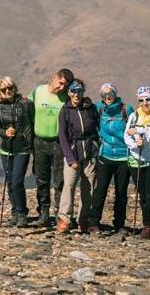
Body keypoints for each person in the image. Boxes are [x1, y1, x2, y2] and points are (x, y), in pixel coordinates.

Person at [28, 68, 74, 227]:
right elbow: (26, 107)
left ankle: (59, 214)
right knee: (41, 179)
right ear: (54, 77)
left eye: (65, 86)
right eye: (60, 83)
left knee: (59, 180)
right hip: (39, 141)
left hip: (59, 143)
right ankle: (43, 213)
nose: (62, 88)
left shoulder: (66, 98)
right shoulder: (38, 91)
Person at [87, 83, 134, 234]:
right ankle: (94, 223)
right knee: (100, 190)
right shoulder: (98, 109)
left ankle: (119, 224)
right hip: (105, 156)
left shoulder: (126, 110)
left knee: (121, 192)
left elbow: (135, 127)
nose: (107, 97)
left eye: (110, 94)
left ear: (115, 94)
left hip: (123, 157)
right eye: (104, 95)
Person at [56, 79, 99, 233]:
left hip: (90, 153)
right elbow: (62, 136)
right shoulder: (65, 110)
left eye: (79, 91)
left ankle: (84, 219)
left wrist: (96, 147)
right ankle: (64, 219)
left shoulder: (90, 108)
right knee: (69, 186)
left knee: (89, 188)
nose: (76, 94)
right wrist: (70, 158)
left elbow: (97, 127)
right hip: (73, 153)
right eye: (73, 91)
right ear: (68, 92)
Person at [124, 86, 150, 239]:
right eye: (141, 100)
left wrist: (141, 133)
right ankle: (148, 225)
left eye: (148, 99)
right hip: (138, 159)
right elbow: (127, 136)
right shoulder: (134, 116)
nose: (144, 103)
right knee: (143, 194)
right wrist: (136, 143)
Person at [0, 77, 34, 228]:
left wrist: (30, 143)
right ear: (0, 92)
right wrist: (4, 132)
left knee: (17, 181)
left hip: (22, 148)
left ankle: (22, 213)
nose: (7, 91)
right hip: (6, 149)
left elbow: (32, 122)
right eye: (3, 90)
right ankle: (15, 212)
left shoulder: (25, 104)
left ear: (14, 88)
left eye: (10, 88)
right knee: (10, 182)